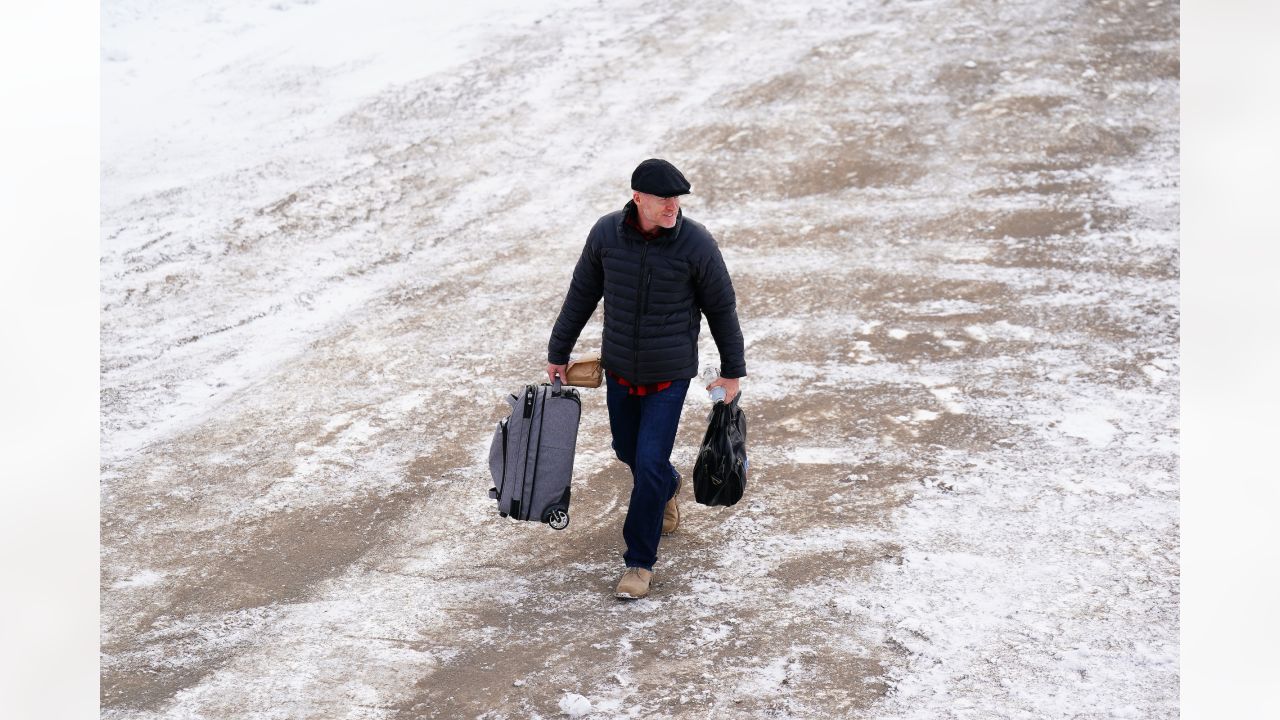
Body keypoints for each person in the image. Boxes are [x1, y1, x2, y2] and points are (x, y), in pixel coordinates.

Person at [546, 158, 746, 600]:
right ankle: (666, 488)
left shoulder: (695, 244)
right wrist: (557, 354)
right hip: (620, 369)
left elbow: (721, 308)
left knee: (650, 461)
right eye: (663, 199)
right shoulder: (605, 235)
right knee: (628, 451)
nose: (672, 206)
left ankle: (639, 562)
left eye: (677, 199)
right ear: (638, 198)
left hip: (668, 375)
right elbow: (581, 294)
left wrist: (733, 371)